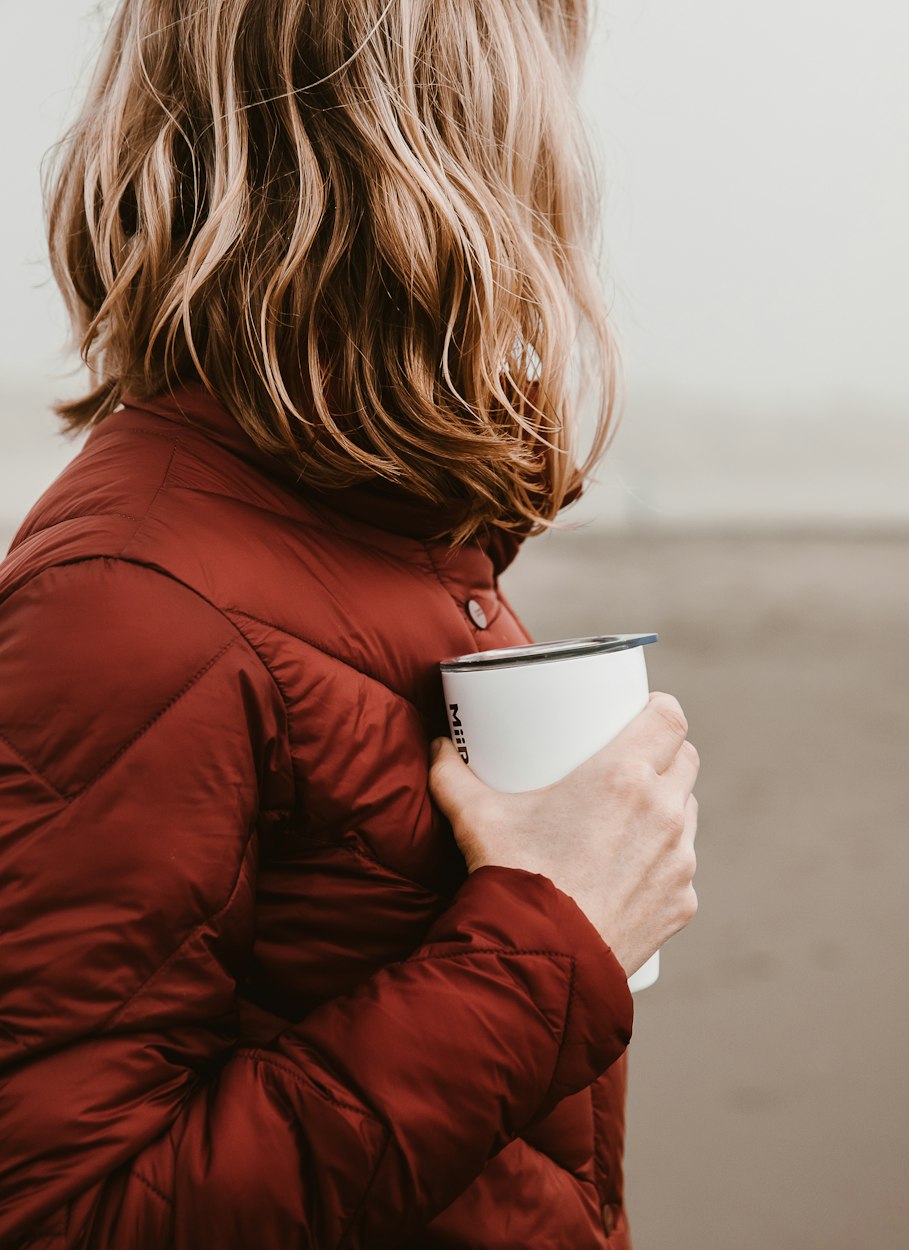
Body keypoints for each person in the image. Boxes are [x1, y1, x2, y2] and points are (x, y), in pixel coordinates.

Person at [0, 1, 700, 1247]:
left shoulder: (371, 523)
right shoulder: (124, 603)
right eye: (546, 90)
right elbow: (70, 1212)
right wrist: (552, 937)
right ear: (447, 147)